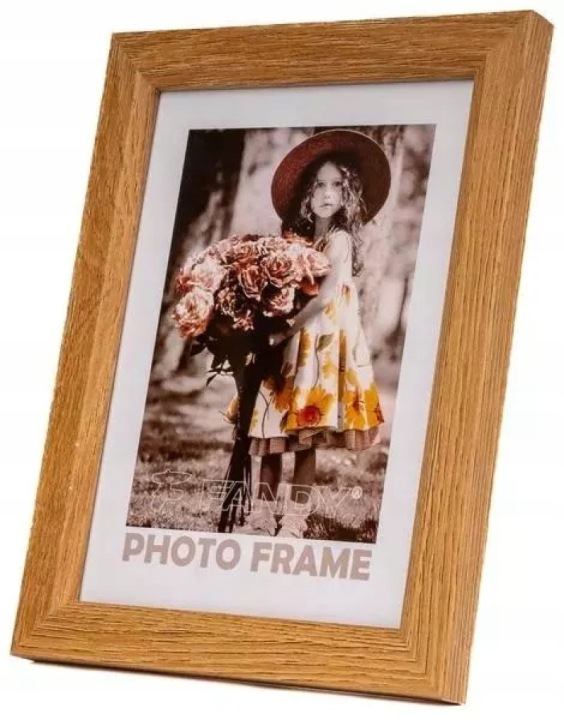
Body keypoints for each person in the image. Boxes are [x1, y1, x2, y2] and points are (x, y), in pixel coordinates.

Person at [233, 129, 391, 537]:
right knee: (271, 432)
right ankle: (262, 516)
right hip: (286, 346)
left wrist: (284, 330)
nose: (327, 193)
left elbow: (322, 300)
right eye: (319, 185)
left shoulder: (339, 241)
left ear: (347, 193)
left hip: (314, 347)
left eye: (336, 185)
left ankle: (295, 521)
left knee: (304, 437)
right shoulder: (298, 239)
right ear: (307, 192)